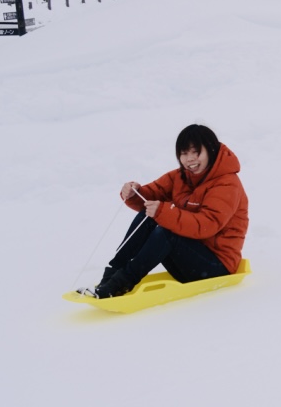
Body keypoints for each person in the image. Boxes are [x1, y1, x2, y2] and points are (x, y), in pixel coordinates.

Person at [87, 124, 249, 299]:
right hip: (190, 262)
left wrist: (163, 212)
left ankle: (120, 284)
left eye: (196, 152)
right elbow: (150, 195)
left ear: (211, 150)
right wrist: (135, 193)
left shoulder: (227, 184)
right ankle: (110, 277)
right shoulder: (180, 177)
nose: (190, 159)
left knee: (166, 232)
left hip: (217, 268)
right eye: (184, 153)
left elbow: (207, 225)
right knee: (148, 217)